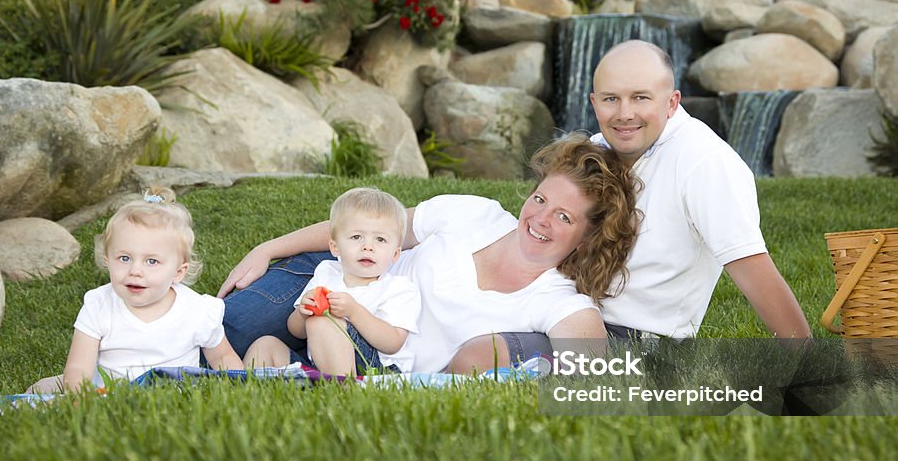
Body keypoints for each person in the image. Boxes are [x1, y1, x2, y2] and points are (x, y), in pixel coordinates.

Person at [218, 134, 640, 373]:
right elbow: (371, 228)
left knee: (245, 354)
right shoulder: (475, 214)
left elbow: (591, 363)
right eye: (541, 199)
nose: (541, 219)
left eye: (565, 218)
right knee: (225, 332)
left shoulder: (557, 299)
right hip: (335, 277)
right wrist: (267, 248)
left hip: (376, 361)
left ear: (586, 238)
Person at [587, 39, 810, 339]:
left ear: (672, 102)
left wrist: (811, 367)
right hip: (566, 314)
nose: (625, 113)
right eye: (611, 99)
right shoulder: (594, 149)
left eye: (640, 97)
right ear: (593, 102)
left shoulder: (703, 161)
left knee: (506, 350)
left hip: (634, 342)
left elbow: (754, 271)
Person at [27, 188, 243, 394]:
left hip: (175, 396)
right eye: (124, 258)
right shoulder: (99, 305)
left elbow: (223, 357)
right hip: (108, 394)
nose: (135, 271)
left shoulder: (197, 310)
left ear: (178, 272)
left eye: (152, 261)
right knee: (41, 390)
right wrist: (82, 400)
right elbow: (78, 368)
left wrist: (239, 390)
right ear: (107, 261)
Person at [243, 187, 421, 376]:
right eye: (356, 237)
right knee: (265, 345)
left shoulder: (398, 288)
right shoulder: (326, 272)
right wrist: (303, 313)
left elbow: (393, 343)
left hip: (376, 368)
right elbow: (297, 332)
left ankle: (344, 391)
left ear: (395, 254)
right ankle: (245, 392)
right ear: (335, 248)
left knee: (322, 321)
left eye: (380, 239)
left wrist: (354, 312)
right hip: (322, 366)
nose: (368, 246)